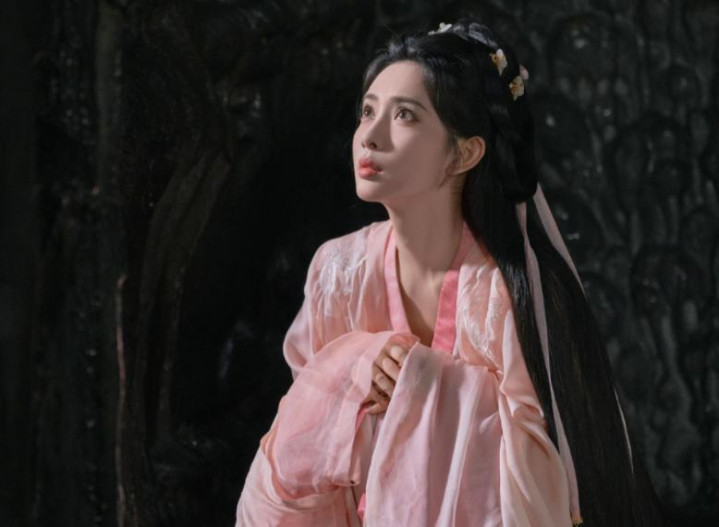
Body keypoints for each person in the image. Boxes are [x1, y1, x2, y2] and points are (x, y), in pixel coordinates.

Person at [235, 19, 663, 526]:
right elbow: (301, 439)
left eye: (404, 116)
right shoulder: (337, 271)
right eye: (367, 111)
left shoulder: (509, 294)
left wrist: (421, 382)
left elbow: (538, 486)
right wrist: (353, 364)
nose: (370, 136)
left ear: (465, 152)